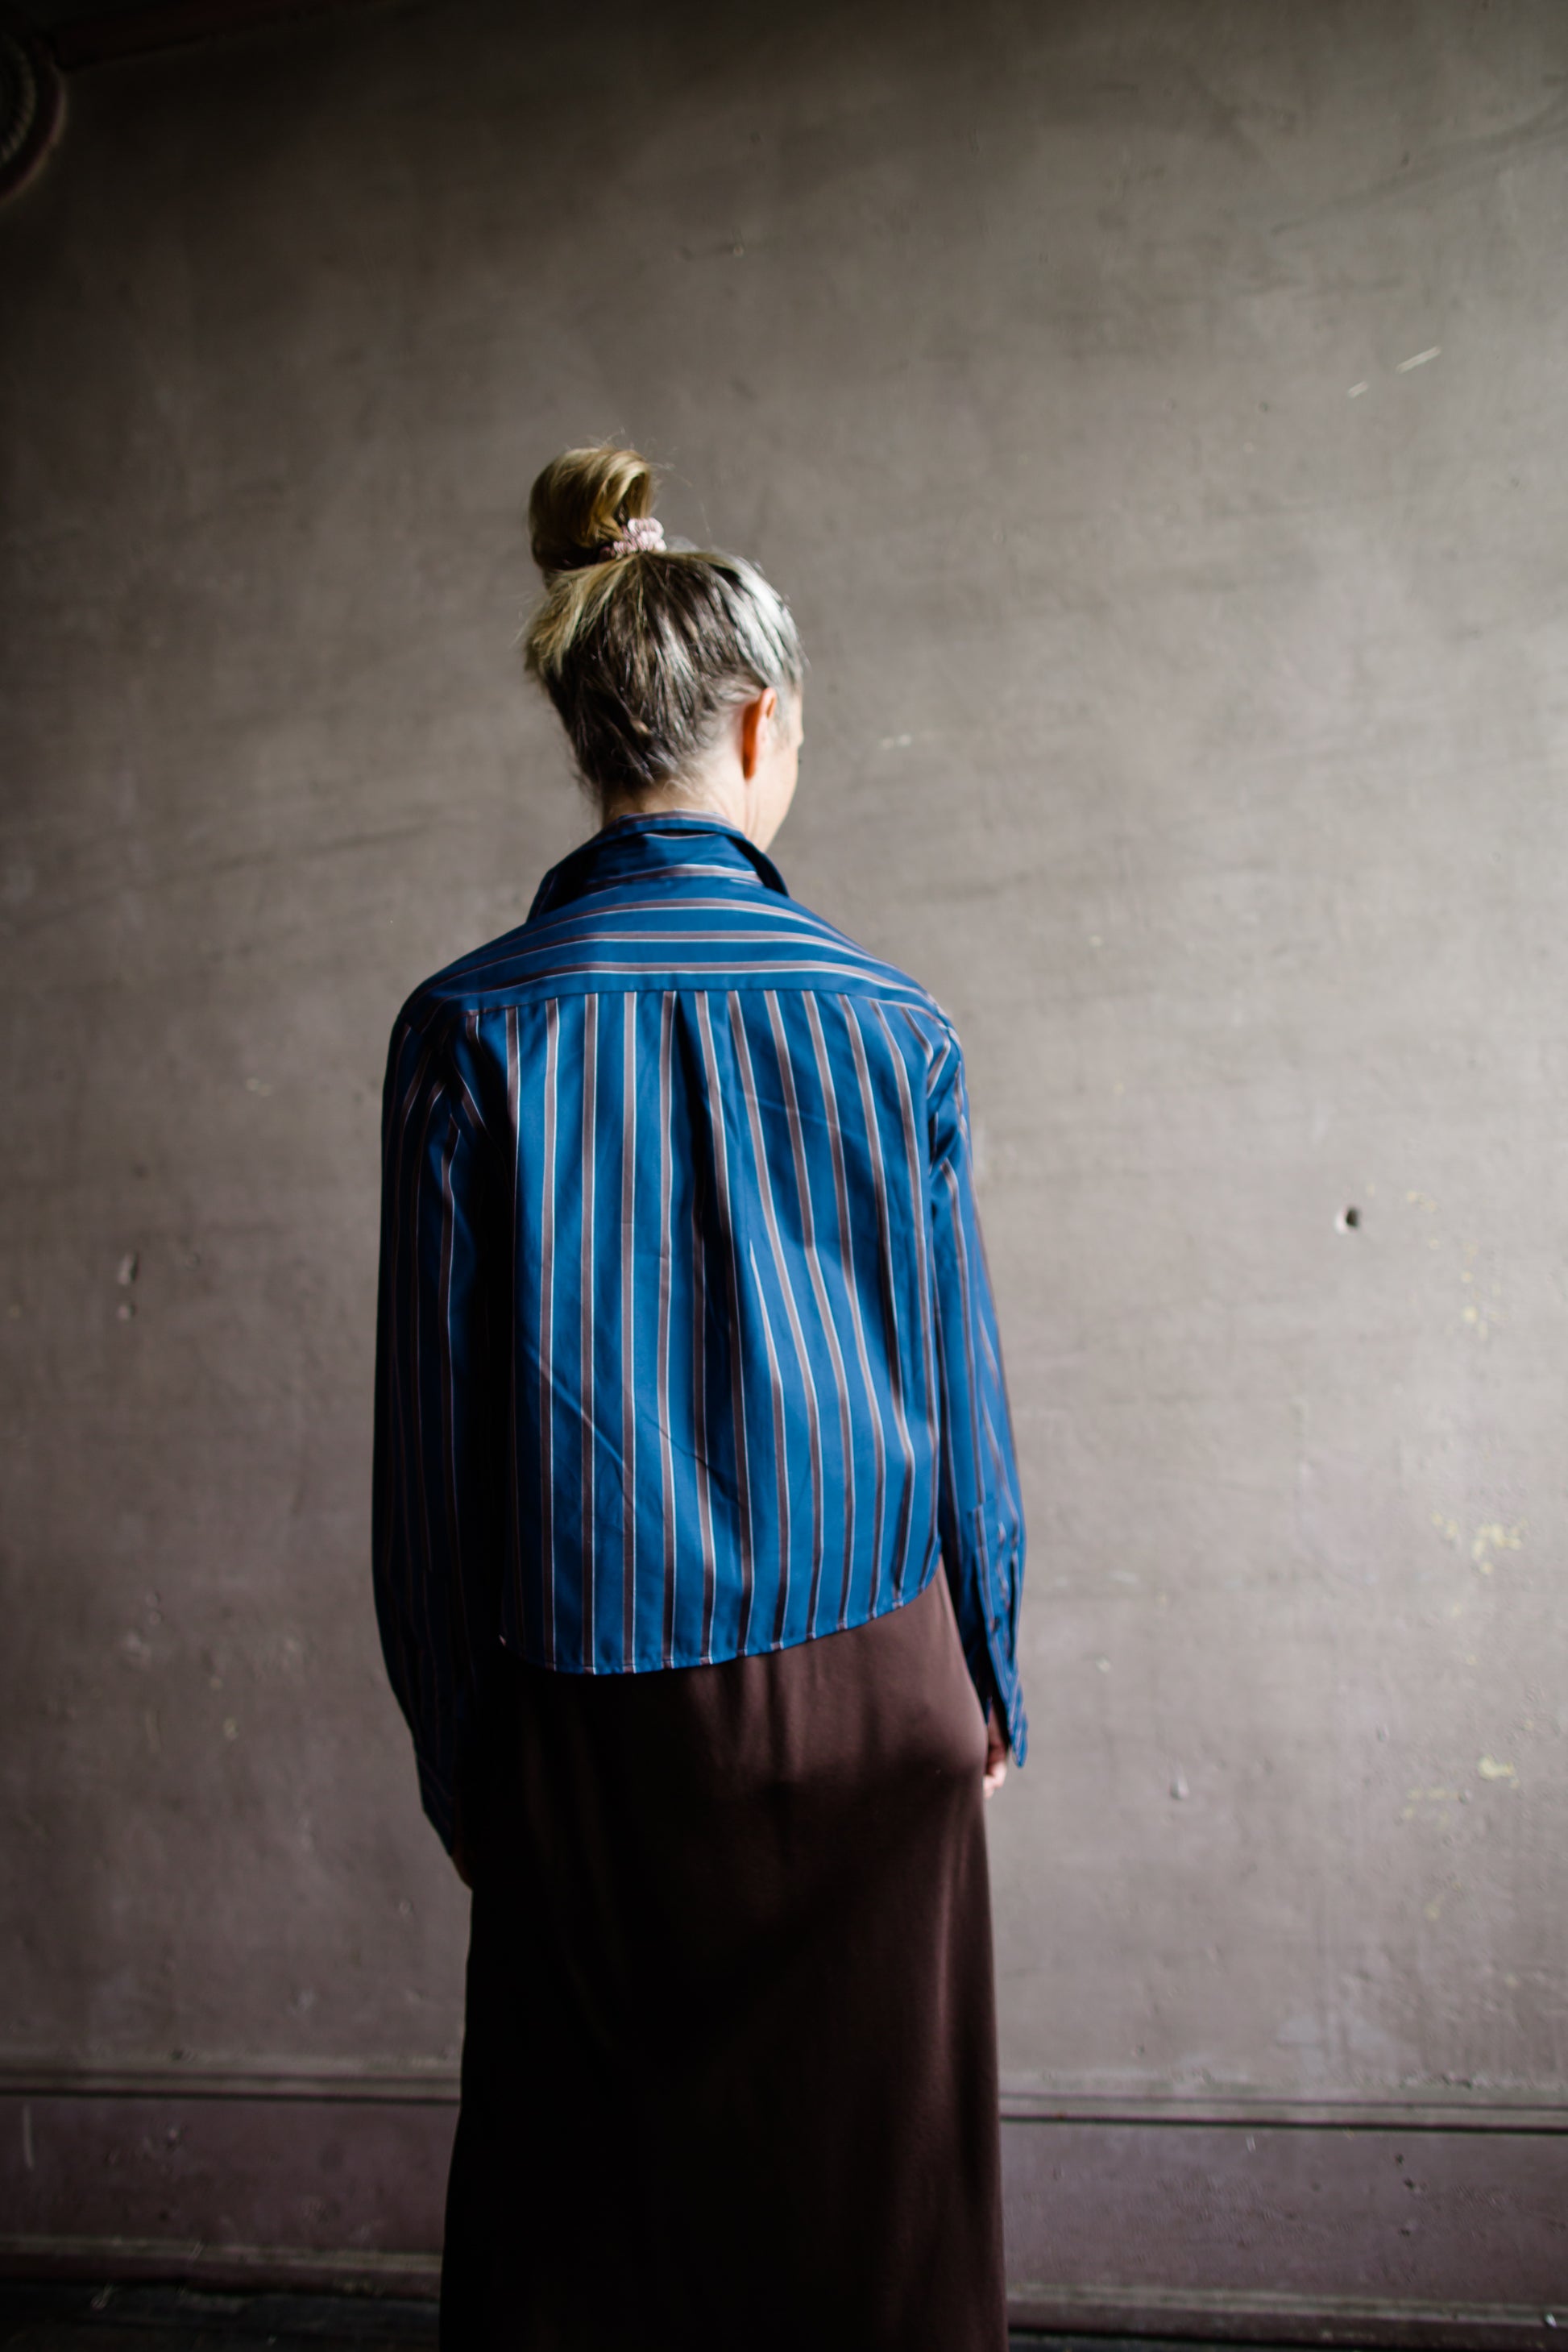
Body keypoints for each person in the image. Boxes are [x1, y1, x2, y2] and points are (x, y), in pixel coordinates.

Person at [372, 444, 1027, 2352]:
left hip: (594, 1712)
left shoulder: (470, 1028)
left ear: (590, 733)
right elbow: (957, 1392)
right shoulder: (893, 1021)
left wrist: (460, 1750)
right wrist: (987, 1661)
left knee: (587, 2217)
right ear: (758, 725)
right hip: (881, 1670)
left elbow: (433, 1462)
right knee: (881, 2211)